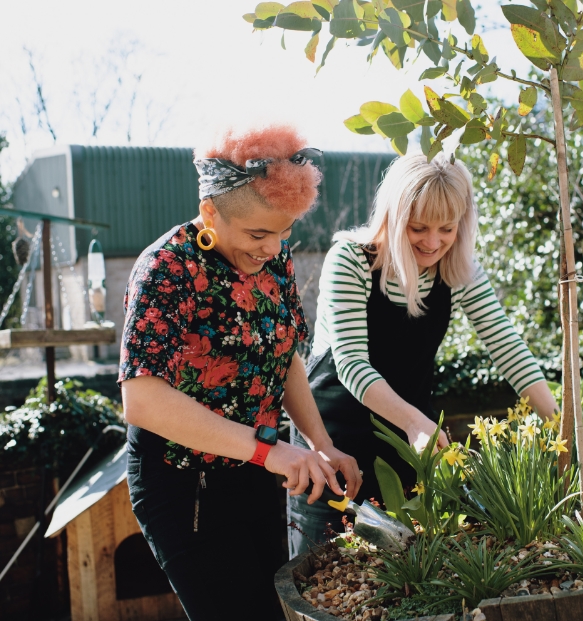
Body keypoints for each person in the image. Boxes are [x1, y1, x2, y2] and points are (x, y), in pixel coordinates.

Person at [119, 125, 362, 621]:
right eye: (257, 234)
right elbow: (142, 400)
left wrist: (319, 444)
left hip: (254, 471)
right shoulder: (166, 268)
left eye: (284, 231)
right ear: (210, 212)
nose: (273, 248)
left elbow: (286, 355)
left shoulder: (275, 261)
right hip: (183, 483)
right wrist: (268, 450)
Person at [287, 151, 559, 557]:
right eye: (418, 228)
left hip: (409, 443)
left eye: (447, 229)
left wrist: (559, 423)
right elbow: (351, 364)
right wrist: (416, 422)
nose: (433, 242)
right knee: (328, 571)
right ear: (394, 218)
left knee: (412, 569)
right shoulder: (352, 260)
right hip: (334, 442)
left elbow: (506, 345)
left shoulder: (457, 269)